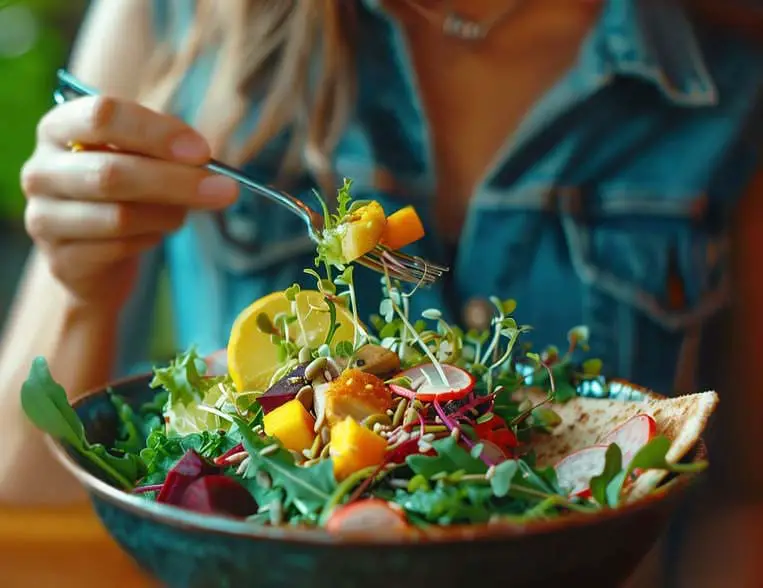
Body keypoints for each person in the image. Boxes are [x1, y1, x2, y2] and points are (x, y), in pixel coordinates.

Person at [1, 0, 762, 585]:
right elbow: (22, 487)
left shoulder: (724, 52)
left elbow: (741, 502)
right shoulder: (177, 16)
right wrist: (82, 285)